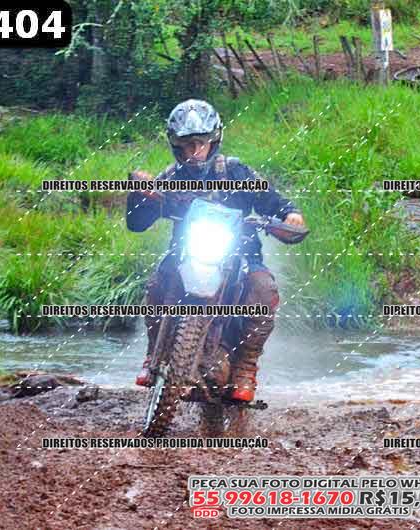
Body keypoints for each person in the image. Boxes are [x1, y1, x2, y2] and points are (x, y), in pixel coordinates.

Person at [125, 99, 306, 402]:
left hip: (241, 254)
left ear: (214, 141)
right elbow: (138, 223)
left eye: (200, 143)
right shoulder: (170, 177)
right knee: (158, 281)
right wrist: (140, 195)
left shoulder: (235, 171)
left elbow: (272, 200)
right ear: (175, 145)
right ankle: (152, 352)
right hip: (185, 253)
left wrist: (290, 215)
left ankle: (246, 365)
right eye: (186, 144)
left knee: (263, 288)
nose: (193, 151)